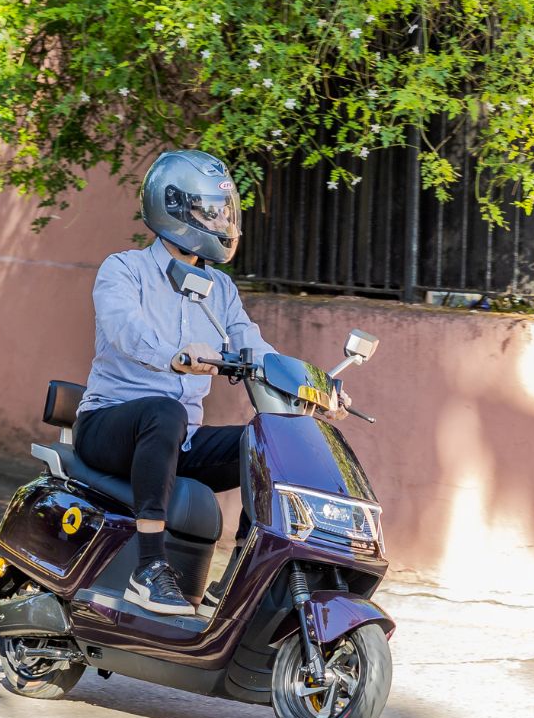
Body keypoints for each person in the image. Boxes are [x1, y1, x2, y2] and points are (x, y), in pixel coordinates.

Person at [73, 149, 348, 616]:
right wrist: (175, 356)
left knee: (263, 442)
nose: (222, 221)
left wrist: (317, 387)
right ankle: (149, 569)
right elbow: (124, 330)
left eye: (224, 212)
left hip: (177, 438)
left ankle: (240, 576)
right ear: (173, 208)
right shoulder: (124, 269)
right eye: (210, 211)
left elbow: (255, 347)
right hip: (108, 425)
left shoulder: (220, 290)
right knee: (165, 412)